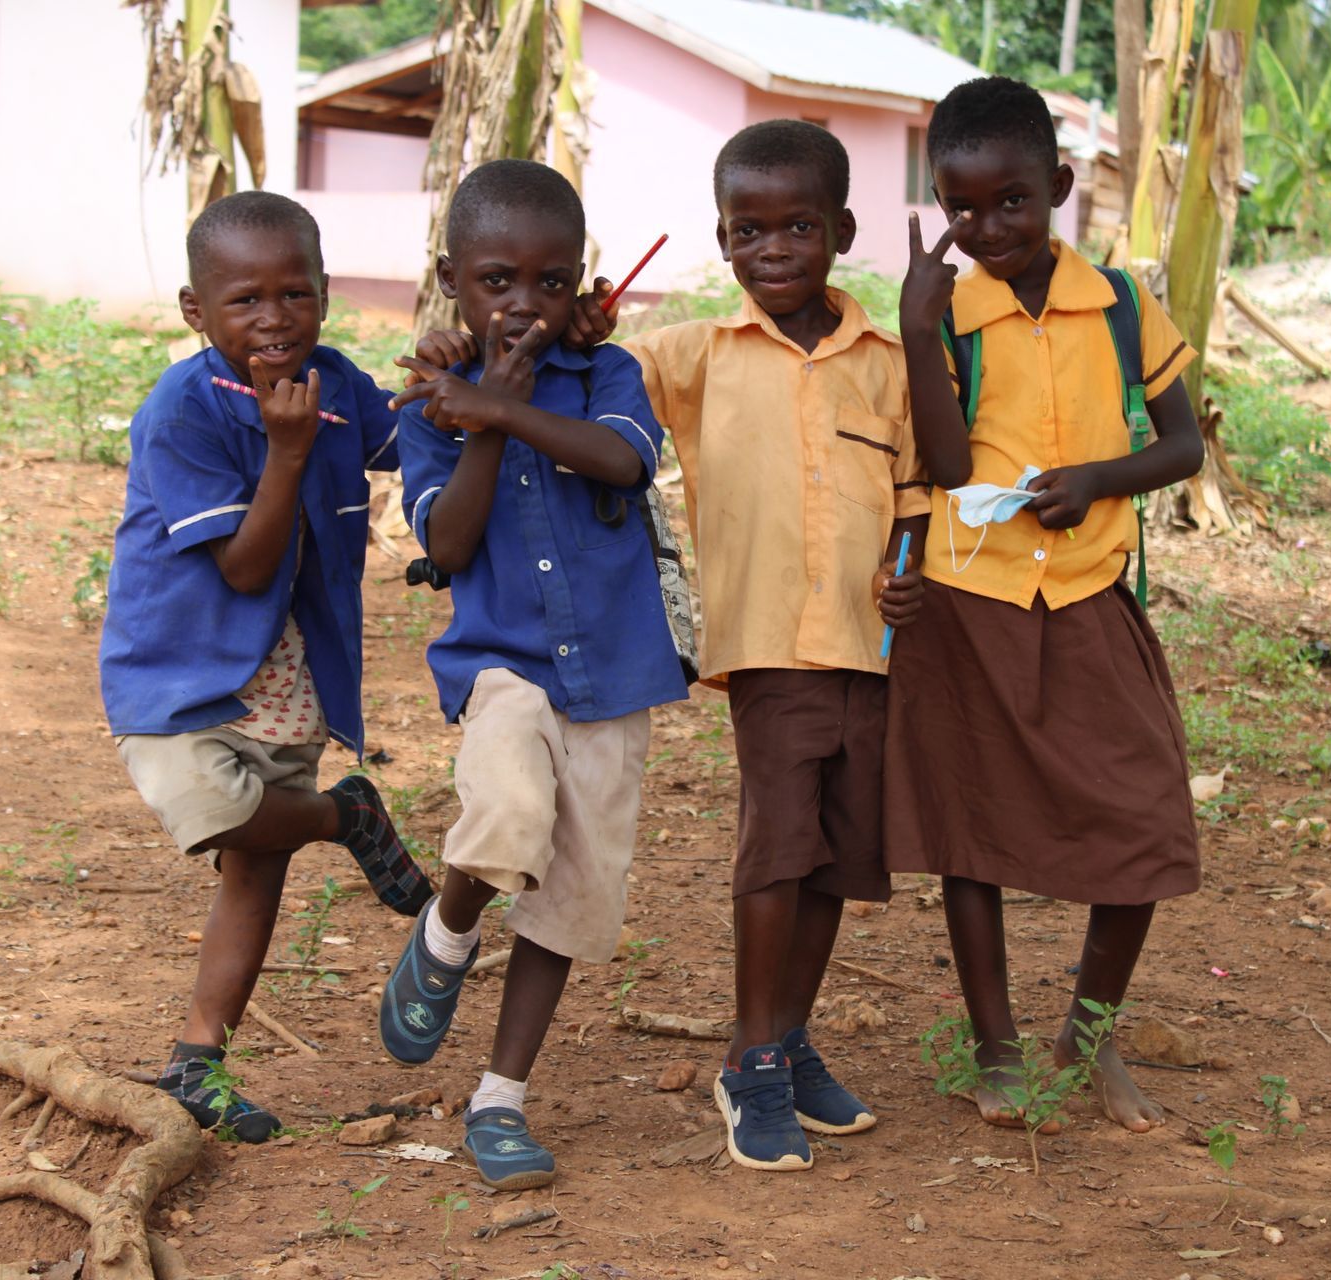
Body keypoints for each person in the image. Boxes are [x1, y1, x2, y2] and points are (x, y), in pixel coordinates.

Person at [890, 76, 1206, 1135]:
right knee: (970, 825)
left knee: (1147, 809)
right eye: (962, 209)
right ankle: (997, 1051)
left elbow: (1184, 442)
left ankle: (1090, 1025)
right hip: (969, 594)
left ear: (1060, 187)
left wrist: (1097, 479)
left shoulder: (1120, 304)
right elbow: (940, 462)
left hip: (1085, 589)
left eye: (1011, 203)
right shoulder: (946, 310)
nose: (986, 229)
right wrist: (916, 327)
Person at [100, 191, 446, 1141]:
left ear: (327, 294)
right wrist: (288, 454)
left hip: (284, 671)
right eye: (245, 300)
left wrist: (457, 378)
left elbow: (416, 434)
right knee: (217, 812)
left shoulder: (335, 383)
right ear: (194, 310)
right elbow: (246, 567)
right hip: (176, 669)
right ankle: (347, 815)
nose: (274, 319)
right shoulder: (182, 411)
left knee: (255, 868)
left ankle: (196, 1060)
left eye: (295, 294)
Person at [623, 120, 928, 1172]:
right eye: (749, 230)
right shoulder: (693, 355)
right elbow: (591, 386)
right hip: (766, 649)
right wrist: (560, 330)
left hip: (868, 645)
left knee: (839, 857)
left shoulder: (887, 364)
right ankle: (750, 1056)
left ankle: (790, 1036)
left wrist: (911, 562)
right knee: (778, 847)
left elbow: (916, 493)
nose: (776, 249)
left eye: (800, 225)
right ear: (722, 239)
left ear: (842, 229)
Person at [384, 159, 687, 1191]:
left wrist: (506, 406)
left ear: (583, 284)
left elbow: (624, 462)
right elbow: (453, 544)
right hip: (503, 668)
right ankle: (451, 923)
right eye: (498, 279)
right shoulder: (428, 408)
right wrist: (476, 411)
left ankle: (499, 1099)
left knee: (567, 896)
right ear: (453, 279)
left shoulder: (609, 378)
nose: (524, 304)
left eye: (551, 283)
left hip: (615, 673)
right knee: (508, 805)